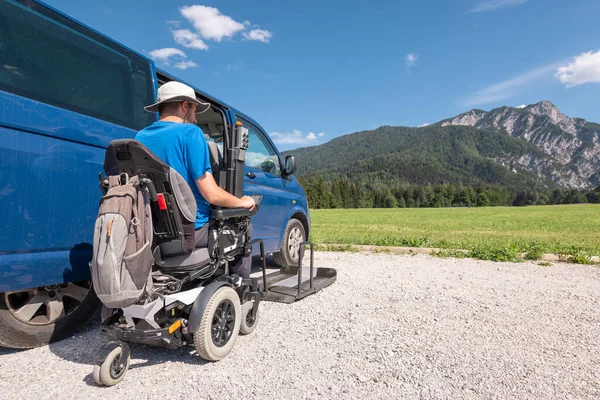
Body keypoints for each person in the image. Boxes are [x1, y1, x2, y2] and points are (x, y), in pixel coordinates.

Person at [135, 81, 255, 277]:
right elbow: (211, 194)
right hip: (191, 230)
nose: (195, 116)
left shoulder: (140, 137)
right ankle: (240, 289)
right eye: (194, 109)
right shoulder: (191, 133)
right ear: (185, 106)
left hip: (152, 231)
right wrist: (241, 202)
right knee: (244, 223)